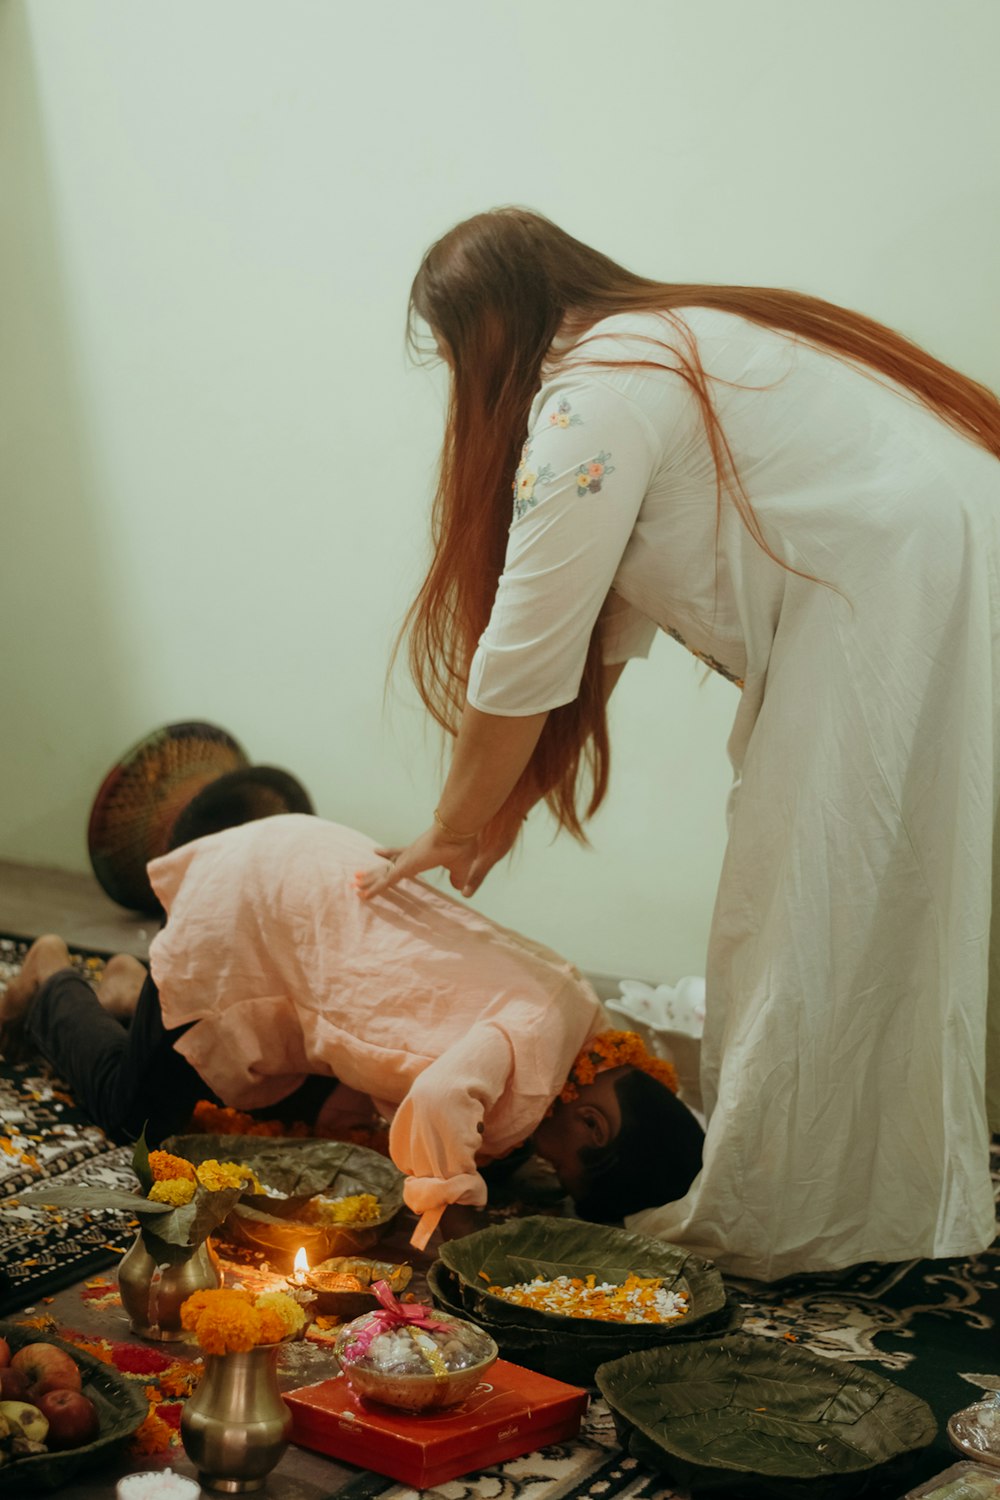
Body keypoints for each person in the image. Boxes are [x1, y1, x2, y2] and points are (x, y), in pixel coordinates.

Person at [355, 206, 1000, 1281]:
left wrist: (454, 820)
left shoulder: (590, 396)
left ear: (482, 335)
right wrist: (494, 820)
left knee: (798, 911)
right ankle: (868, 1198)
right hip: (918, 571)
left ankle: (784, 1214)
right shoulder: (665, 341)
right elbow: (591, 651)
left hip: (887, 593)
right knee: (869, 909)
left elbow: (526, 649)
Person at [0, 814, 702, 1250]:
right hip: (257, 914)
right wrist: (450, 1218)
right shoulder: (534, 1039)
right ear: (592, 1122)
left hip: (305, 883)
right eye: (568, 1167)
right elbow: (433, 1103)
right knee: (136, 1114)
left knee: (469, 1154)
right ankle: (55, 983)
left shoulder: (580, 1020)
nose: (550, 1169)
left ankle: (134, 991)